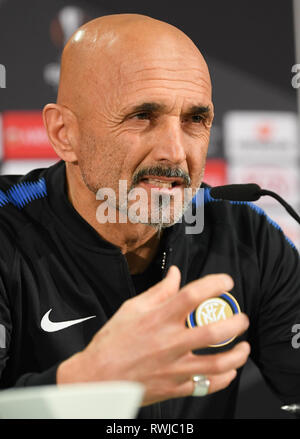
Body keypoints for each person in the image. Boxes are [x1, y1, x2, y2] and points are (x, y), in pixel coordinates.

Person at [0, 13, 299, 419]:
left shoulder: (245, 233)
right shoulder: (7, 226)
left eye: (195, 119)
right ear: (63, 134)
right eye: (142, 116)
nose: (175, 152)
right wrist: (86, 383)